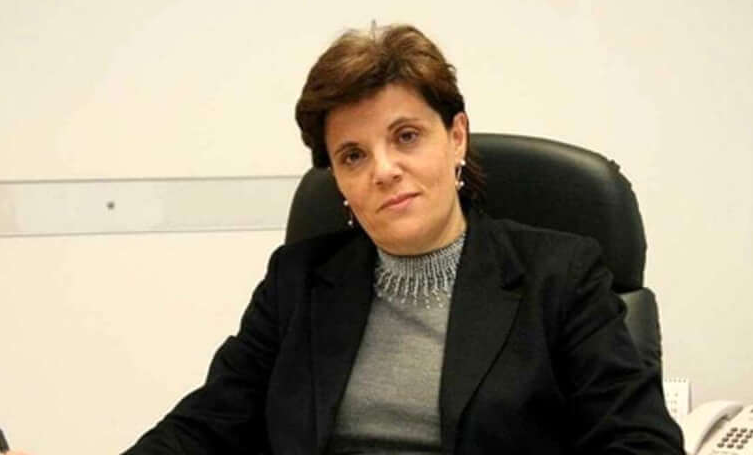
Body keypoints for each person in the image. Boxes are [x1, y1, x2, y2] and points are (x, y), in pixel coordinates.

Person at [120, 24, 685, 454]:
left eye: (406, 136)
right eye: (353, 155)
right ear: (338, 181)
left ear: (456, 138)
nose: (383, 170)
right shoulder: (296, 283)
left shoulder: (559, 276)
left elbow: (639, 441)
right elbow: (205, 426)